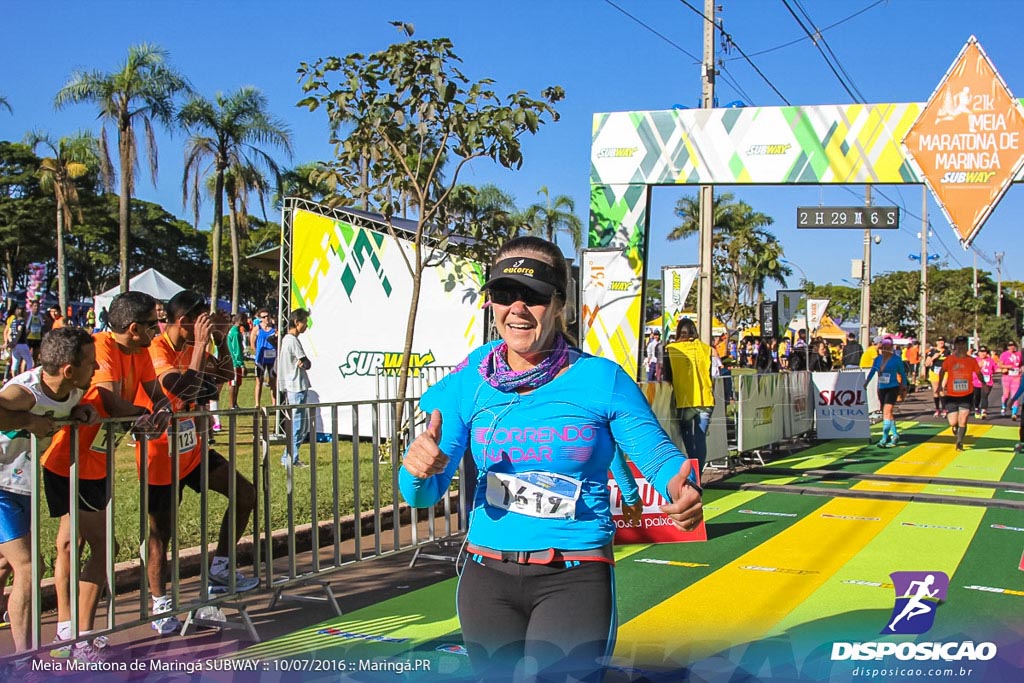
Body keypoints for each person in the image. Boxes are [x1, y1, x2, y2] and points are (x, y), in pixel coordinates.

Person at [399, 236, 703, 681]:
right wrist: (415, 469)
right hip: (487, 577)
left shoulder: (601, 379)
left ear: (560, 304)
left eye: (534, 295)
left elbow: (658, 457)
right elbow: (421, 495)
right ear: (491, 303)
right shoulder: (469, 382)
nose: (517, 308)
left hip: (573, 576)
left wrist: (683, 488)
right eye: (504, 294)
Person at [44, 291, 171, 655]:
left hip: (93, 462)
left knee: (73, 543)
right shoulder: (99, 348)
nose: (157, 330)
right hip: (69, 460)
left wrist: (160, 409)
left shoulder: (141, 352)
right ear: (134, 329)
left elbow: (155, 392)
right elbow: (108, 400)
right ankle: (78, 633)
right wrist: (143, 417)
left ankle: (69, 630)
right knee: (97, 546)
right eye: (153, 324)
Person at [137, 290, 259, 635]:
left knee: (245, 493)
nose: (207, 324)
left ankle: (220, 569)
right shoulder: (156, 349)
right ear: (184, 322)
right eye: (202, 319)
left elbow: (222, 379)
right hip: (160, 452)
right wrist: (201, 349)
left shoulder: (196, 346)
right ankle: (160, 603)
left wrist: (218, 342)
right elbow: (182, 391)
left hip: (192, 448)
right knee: (162, 530)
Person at [0, 328, 98, 656]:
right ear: (69, 370)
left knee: (4, 563)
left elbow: (59, 411)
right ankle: (23, 664)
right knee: (28, 567)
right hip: (0, 488)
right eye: (91, 364)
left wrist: (77, 414)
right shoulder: (25, 392)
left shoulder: (71, 390)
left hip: (20, 485)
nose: (96, 369)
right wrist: (27, 420)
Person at [663, 317, 718, 472]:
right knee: (700, 439)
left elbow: (668, 376)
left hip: (684, 400)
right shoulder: (706, 349)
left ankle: (693, 472)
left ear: (679, 332)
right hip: (706, 399)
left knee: (688, 439)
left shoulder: (671, 349)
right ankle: (698, 473)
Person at [937, 335, 986, 451]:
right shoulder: (950, 359)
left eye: (963, 345)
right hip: (952, 395)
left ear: (966, 346)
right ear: (955, 346)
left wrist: (983, 383)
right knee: (953, 421)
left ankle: (959, 442)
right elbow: (942, 371)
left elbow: (979, 373)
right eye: (959, 345)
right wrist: (940, 385)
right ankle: (955, 427)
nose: (961, 347)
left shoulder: (971, 360)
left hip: (967, 394)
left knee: (963, 419)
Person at [277, 308, 312, 468]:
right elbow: (306, 363)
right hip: (296, 386)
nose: (306, 325)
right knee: (299, 426)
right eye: (304, 322)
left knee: (299, 425)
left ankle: (290, 456)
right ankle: (290, 457)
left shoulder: (286, 339)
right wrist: (305, 362)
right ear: (297, 323)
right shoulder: (292, 340)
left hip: (292, 386)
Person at [864, 337, 909, 447]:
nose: (886, 350)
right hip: (882, 388)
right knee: (887, 413)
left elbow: (902, 373)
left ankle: (884, 438)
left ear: (892, 348)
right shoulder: (878, 359)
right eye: (884, 348)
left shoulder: (896, 359)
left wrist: (903, 385)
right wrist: (866, 383)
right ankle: (895, 435)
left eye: (889, 348)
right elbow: (872, 371)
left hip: (893, 387)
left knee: (886, 412)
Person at [250, 308, 277, 406]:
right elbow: (252, 342)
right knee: (259, 381)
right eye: (264, 317)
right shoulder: (257, 328)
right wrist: (257, 352)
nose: (266, 318)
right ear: (260, 318)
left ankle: (274, 404)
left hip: (272, 359)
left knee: (273, 382)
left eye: (268, 316)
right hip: (260, 359)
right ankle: (257, 404)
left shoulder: (274, 328)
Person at [226, 314, 247, 409]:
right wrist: (241, 364)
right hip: (234, 362)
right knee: (233, 383)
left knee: (237, 383)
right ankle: (231, 405)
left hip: (233, 361)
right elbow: (237, 350)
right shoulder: (235, 333)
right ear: (241, 320)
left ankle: (234, 403)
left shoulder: (234, 331)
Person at [925, 337, 950, 417]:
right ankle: (937, 409)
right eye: (939, 341)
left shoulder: (947, 351)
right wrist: (933, 357)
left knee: (941, 389)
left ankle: (944, 409)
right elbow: (926, 364)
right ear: (936, 342)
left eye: (942, 341)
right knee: (935, 391)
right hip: (934, 372)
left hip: (944, 372)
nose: (941, 342)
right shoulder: (932, 352)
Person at [998, 340, 1022, 419]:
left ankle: (1014, 413)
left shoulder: (1019, 354)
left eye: (1013, 345)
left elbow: (1021, 364)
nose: (1012, 347)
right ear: (1007, 347)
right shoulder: (1004, 354)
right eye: (1010, 346)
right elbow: (1000, 365)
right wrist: (1008, 367)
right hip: (1007, 377)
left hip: (1016, 377)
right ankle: (1003, 406)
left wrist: (1021, 368)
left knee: (1015, 395)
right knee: (1006, 395)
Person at [972, 346, 997, 419]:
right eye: (981, 352)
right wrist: (978, 367)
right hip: (976, 382)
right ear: (978, 353)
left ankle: (983, 411)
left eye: (984, 352)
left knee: (984, 396)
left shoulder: (990, 360)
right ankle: (976, 408)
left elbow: (995, 368)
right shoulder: (974, 360)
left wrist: (1003, 369)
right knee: (976, 397)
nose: (983, 353)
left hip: (987, 382)